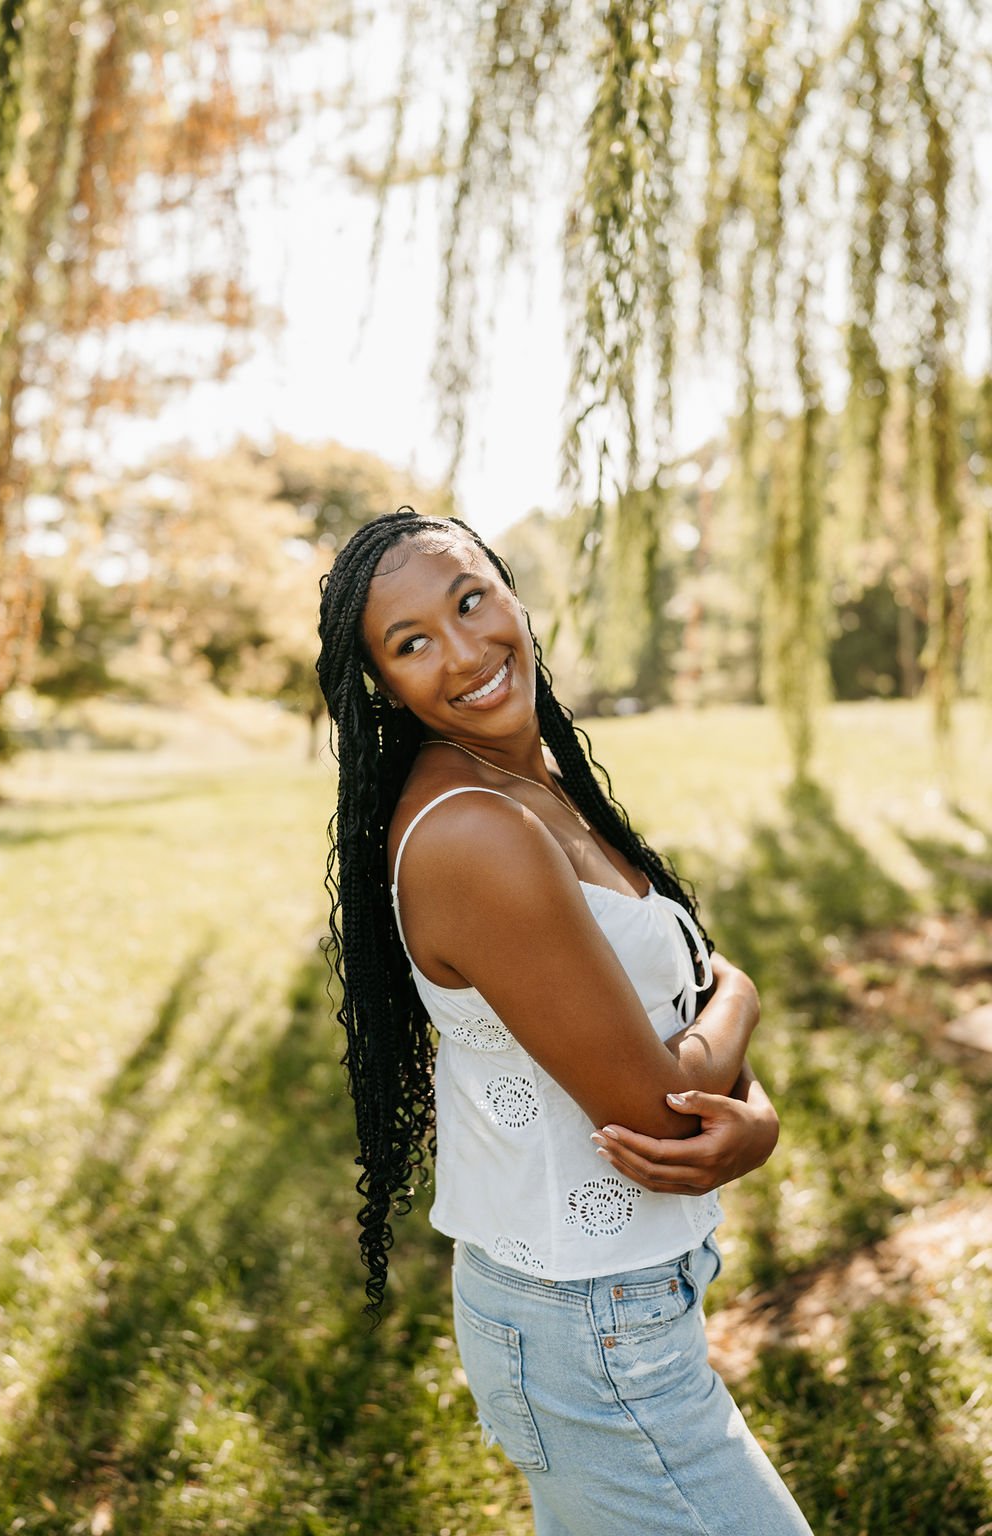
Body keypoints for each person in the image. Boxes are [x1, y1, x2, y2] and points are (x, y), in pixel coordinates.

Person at [316, 508, 813, 1535]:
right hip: (589, 1327)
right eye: (411, 644)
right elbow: (663, 1117)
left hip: (603, 1307)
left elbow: (667, 1016)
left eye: (470, 599)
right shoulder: (475, 832)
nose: (464, 651)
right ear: (382, 686)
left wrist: (745, 1089)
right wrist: (747, 1003)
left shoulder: (530, 780)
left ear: (509, 591)